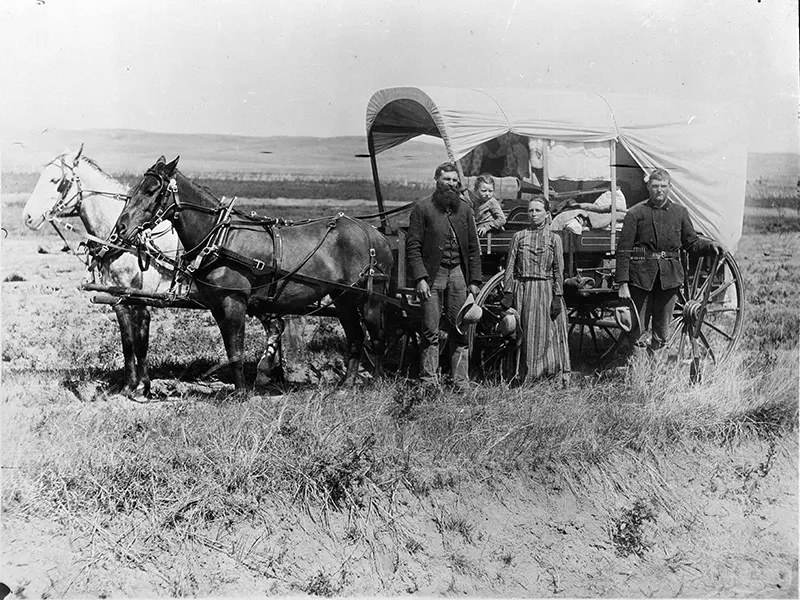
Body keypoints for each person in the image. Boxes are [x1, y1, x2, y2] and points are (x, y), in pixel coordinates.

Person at [615, 168, 723, 356]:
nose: (659, 190)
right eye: (655, 186)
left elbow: (691, 243)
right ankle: (639, 376)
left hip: (669, 279)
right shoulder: (636, 213)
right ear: (648, 187)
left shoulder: (679, 212)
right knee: (637, 330)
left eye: (663, 186)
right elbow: (624, 250)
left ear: (670, 188)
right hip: (641, 279)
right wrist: (623, 283)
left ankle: (655, 374)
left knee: (662, 331)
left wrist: (709, 246)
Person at [406, 162, 482, 389]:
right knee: (430, 331)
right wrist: (420, 277)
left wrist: (475, 282)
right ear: (436, 180)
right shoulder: (423, 208)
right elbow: (413, 246)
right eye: (446, 179)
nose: (451, 184)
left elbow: (472, 248)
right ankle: (429, 382)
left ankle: (461, 382)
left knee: (460, 330)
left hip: (458, 274)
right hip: (433, 276)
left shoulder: (465, 209)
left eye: (454, 180)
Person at [501, 197, 571, 385]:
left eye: (538, 211)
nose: (533, 215)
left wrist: (558, 296)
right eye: (530, 211)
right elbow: (510, 266)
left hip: (546, 290)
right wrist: (508, 292)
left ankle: (550, 375)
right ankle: (525, 376)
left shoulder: (554, 238)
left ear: (547, 214)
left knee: (549, 334)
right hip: (525, 291)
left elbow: (558, 269)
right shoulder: (519, 237)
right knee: (527, 333)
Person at [550, 183, 627, 233]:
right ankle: (576, 222)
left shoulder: (616, 196)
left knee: (585, 215)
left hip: (601, 214)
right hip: (600, 213)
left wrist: (579, 205)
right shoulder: (610, 195)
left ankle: (577, 222)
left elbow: (599, 208)